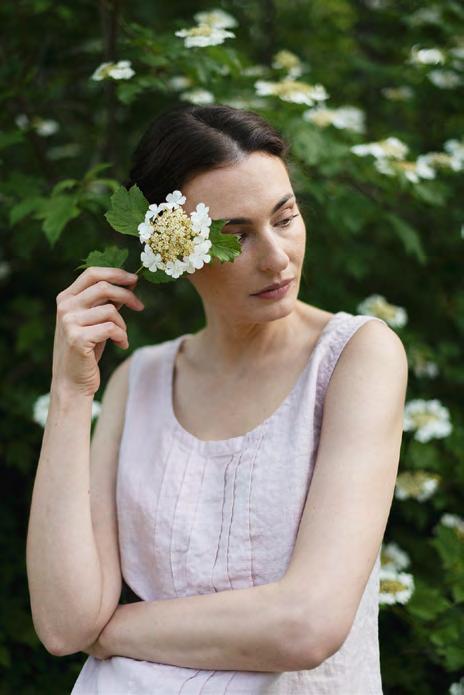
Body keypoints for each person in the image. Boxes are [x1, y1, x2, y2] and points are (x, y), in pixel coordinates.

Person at [26, 103, 408, 694]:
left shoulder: (355, 358)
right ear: (174, 248)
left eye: (285, 218)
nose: (277, 257)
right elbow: (63, 623)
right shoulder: (138, 381)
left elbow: (308, 626)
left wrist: (113, 632)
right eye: (237, 235)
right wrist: (70, 393)